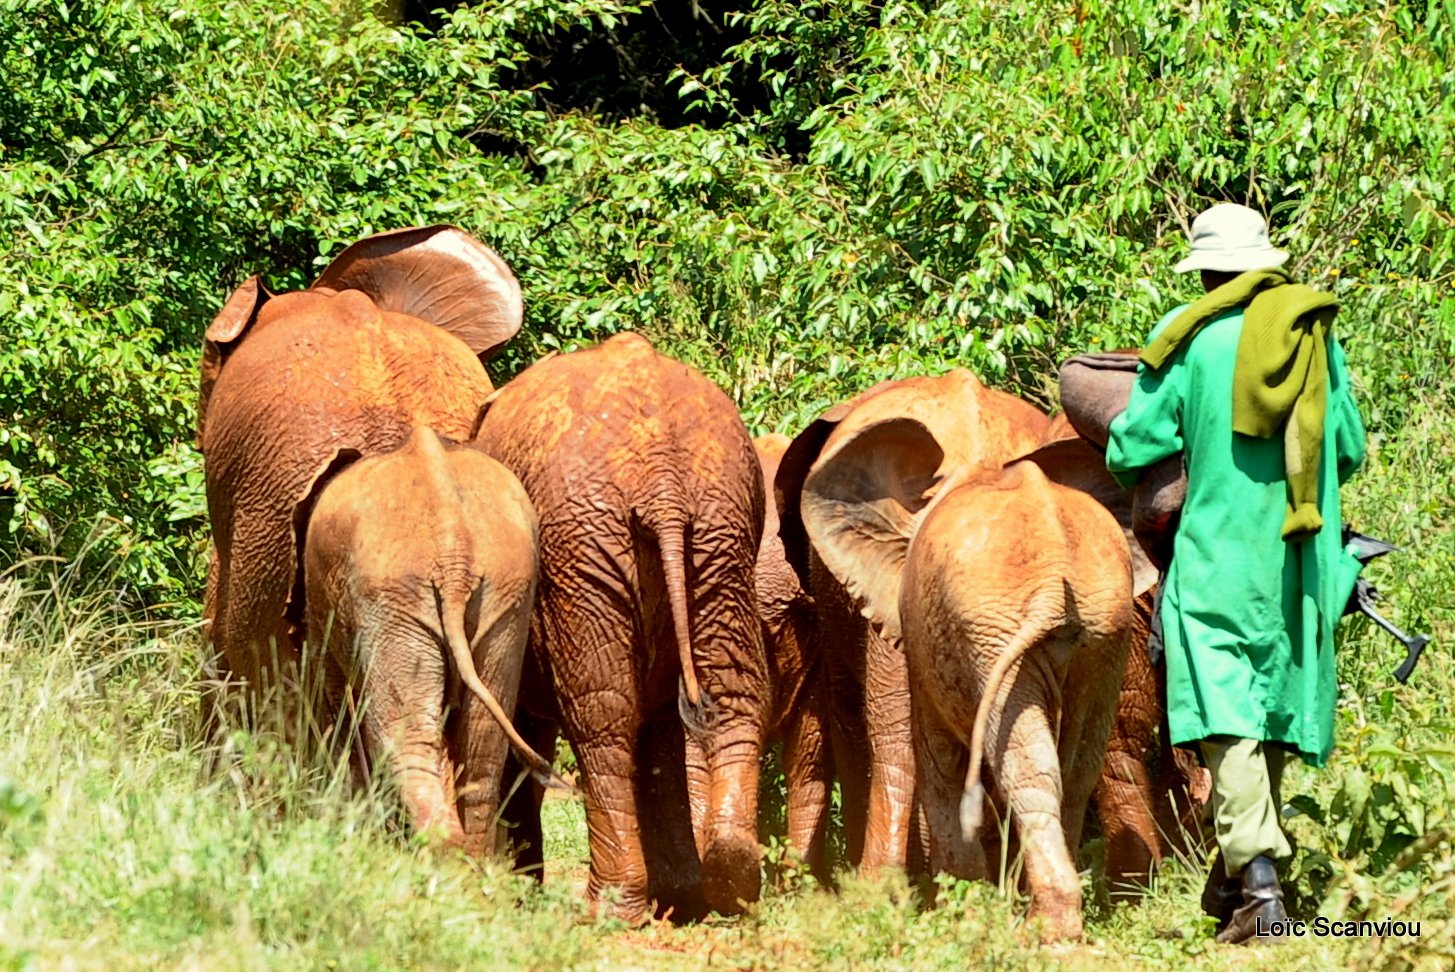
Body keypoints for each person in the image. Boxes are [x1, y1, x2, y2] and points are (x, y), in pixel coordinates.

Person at [1104, 203, 1367, 945]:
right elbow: (1344, 447)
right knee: (1271, 707)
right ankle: (1235, 871)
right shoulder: (1315, 338)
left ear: (1208, 271)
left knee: (1224, 715)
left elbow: (1133, 446)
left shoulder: (1187, 339)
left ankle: (1258, 887)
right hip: (1299, 554)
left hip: (1219, 554)